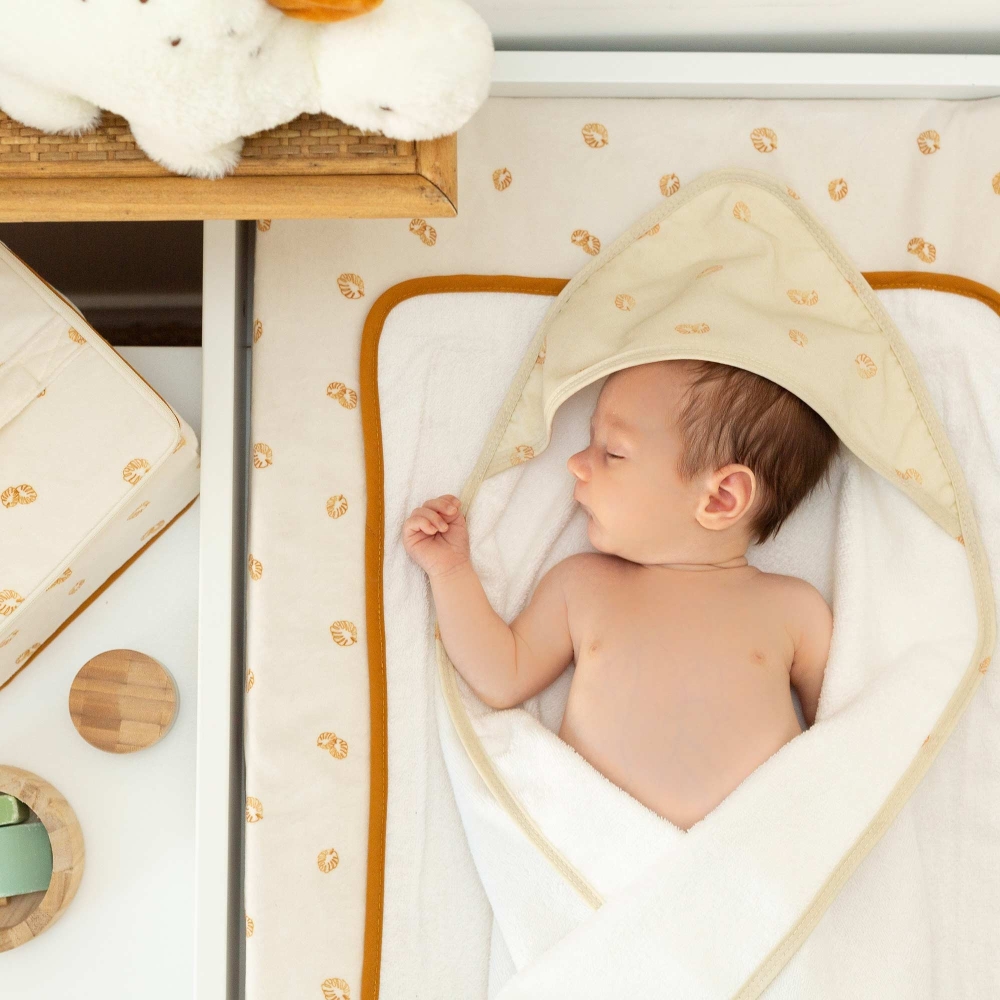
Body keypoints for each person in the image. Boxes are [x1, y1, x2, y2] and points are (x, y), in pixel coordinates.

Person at [402, 359, 837, 832]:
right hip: (605, 859)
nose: (575, 462)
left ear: (720, 498)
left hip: (746, 862)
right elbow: (499, 675)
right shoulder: (583, 586)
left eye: (612, 452)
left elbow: (848, 739)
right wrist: (450, 570)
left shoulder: (795, 610)